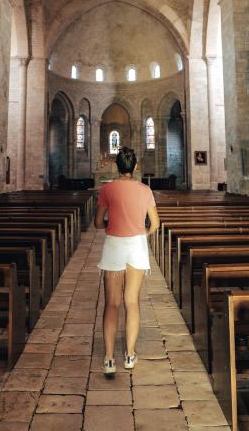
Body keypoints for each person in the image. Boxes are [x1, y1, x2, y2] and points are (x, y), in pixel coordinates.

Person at [94, 146, 160, 376]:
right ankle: (130, 356)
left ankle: (109, 359)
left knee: (111, 303)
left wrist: (109, 227)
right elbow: (156, 224)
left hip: (114, 245)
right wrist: (142, 234)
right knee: (132, 302)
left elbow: (97, 221)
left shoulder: (107, 189)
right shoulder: (144, 190)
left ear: (116, 165)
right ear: (135, 166)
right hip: (136, 247)